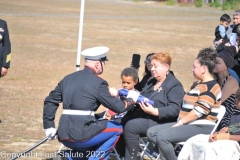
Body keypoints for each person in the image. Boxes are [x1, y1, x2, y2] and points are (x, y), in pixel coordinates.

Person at [43, 46, 137, 160]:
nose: (104, 65)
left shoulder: (67, 78)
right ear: (98, 64)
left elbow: (50, 100)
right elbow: (119, 107)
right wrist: (130, 99)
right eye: (104, 62)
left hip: (63, 133)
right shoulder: (99, 83)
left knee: (94, 146)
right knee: (117, 128)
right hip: (82, 134)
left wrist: (49, 126)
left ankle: (68, 157)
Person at [146, 47, 222, 160]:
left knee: (162, 136)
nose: (192, 69)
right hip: (190, 124)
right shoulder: (200, 85)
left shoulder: (211, 87)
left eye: (194, 67)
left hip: (201, 126)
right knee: (151, 133)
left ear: (204, 69)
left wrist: (180, 123)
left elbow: (199, 111)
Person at [115, 52, 185, 159]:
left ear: (167, 67)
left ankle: (130, 158)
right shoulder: (151, 81)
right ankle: (120, 154)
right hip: (144, 116)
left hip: (161, 120)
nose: (152, 69)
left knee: (131, 126)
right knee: (118, 121)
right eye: (151, 66)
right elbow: (142, 95)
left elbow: (175, 109)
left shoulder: (174, 85)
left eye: (155, 66)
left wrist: (155, 111)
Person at [178, 88, 240, 160]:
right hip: (225, 139)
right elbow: (229, 128)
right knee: (194, 140)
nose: (236, 101)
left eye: (238, 99)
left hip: (234, 145)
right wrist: (216, 134)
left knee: (209, 149)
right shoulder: (236, 115)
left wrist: (223, 137)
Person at [214, 47, 240, 130]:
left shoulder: (231, 81)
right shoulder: (216, 80)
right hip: (218, 115)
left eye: (218, 63)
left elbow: (218, 101)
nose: (214, 64)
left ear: (226, 66)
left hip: (230, 120)